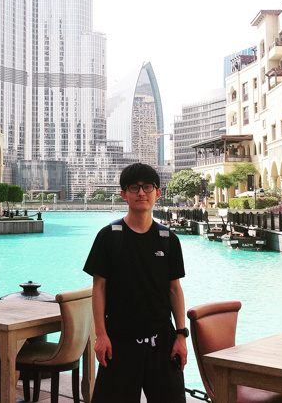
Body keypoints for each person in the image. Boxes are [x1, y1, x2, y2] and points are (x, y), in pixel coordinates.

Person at [83, 163, 187, 403]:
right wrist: (101, 335)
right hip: (119, 343)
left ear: (157, 193)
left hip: (162, 343)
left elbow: (174, 290)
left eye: (147, 187)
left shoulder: (168, 239)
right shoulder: (109, 237)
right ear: (124, 194)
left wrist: (181, 335)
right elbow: (99, 288)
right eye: (134, 188)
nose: (141, 193)